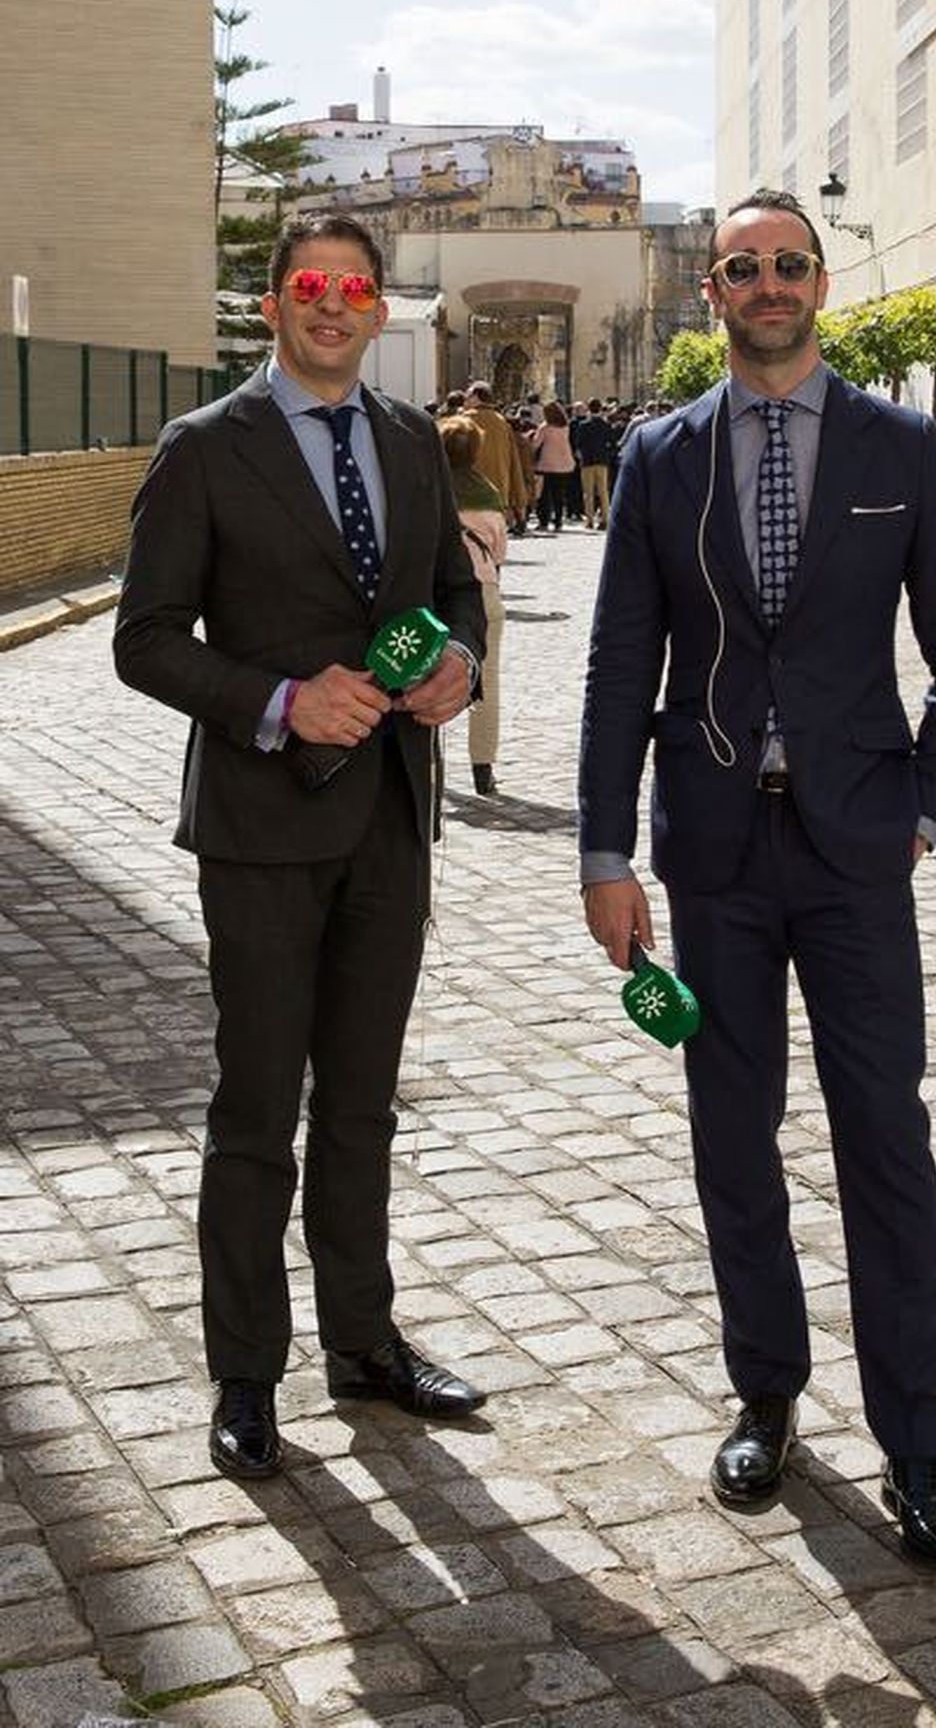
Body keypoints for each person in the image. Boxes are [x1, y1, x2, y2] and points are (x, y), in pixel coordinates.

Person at [578, 189, 936, 1568]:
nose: (768, 282)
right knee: (730, 1129)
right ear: (714, 290)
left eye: (789, 263)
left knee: (887, 1135)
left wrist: (926, 806)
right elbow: (616, 664)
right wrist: (604, 847)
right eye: (743, 265)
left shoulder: (900, 446)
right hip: (713, 852)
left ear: (822, 282)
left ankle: (917, 1443)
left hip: (857, 851)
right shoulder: (661, 455)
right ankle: (767, 1388)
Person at [113, 213, 489, 1482]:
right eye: (309, 286)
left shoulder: (407, 440)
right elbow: (147, 636)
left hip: (390, 812)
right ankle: (245, 1371)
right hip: (264, 825)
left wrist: (457, 659)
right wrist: (278, 703)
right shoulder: (205, 448)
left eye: (355, 288)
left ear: (382, 309)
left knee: (366, 1105)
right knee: (258, 1103)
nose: (333, 305)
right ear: (273, 305)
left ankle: (364, 1339)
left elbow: (448, 587)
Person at [439, 414, 508, 798]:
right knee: (487, 681)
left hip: (434, 596)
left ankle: (430, 773)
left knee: (420, 680)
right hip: (483, 592)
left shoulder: (427, 490)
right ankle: (483, 768)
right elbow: (499, 552)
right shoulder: (488, 495)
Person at [460, 382, 529, 533]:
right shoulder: (501, 421)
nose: (465, 399)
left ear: (476, 397)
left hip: (470, 487)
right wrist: (517, 496)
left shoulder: (464, 420)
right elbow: (513, 460)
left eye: (468, 395)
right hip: (499, 489)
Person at [531, 400, 577, 531]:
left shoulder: (545, 427)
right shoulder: (565, 427)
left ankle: (543, 521)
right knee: (558, 495)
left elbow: (535, 444)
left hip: (547, 464)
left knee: (544, 495)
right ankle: (558, 521)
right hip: (564, 464)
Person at [572, 398, 615, 530]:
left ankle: (589, 520)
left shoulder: (583, 425)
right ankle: (605, 519)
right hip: (602, 461)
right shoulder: (606, 425)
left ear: (589, 409)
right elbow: (612, 443)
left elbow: (578, 444)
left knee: (588, 492)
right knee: (603, 491)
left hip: (587, 461)